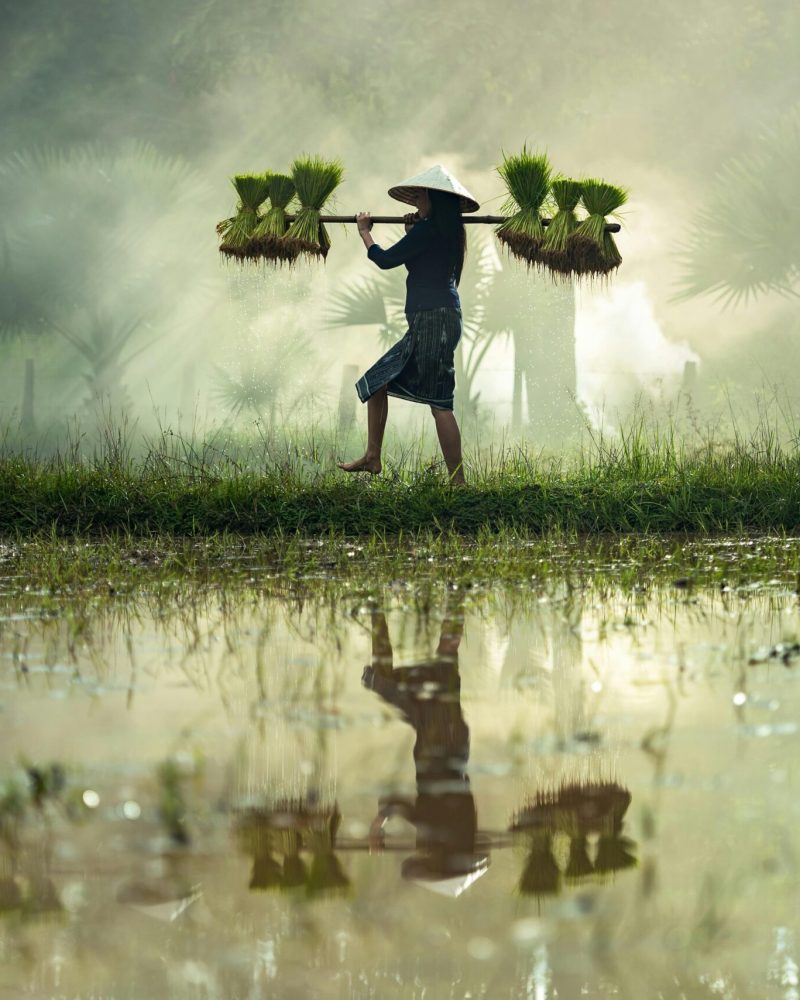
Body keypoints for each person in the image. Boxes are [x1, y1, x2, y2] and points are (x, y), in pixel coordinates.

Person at [338, 165, 480, 485]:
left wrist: (365, 232)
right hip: (436, 319)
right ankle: (373, 456)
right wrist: (410, 233)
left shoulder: (428, 231)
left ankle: (458, 483)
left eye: (419, 196)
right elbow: (419, 264)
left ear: (433, 198)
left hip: (433, 320)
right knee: (378, 383)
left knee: (439, 404)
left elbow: (386, 260)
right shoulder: (444, 232)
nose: (415, 202)